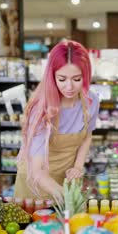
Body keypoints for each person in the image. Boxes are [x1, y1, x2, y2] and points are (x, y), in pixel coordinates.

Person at [14, 40, 99, 199]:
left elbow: (87, 136)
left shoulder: (91, 101)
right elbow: (38, 171)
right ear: (52, 77)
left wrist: (78, 167)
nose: (69, 87)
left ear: (85, 76)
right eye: (62, 79)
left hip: (65, 178)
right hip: (35, 181)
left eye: (76, 79)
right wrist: (66, 197)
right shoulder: (41, 109)